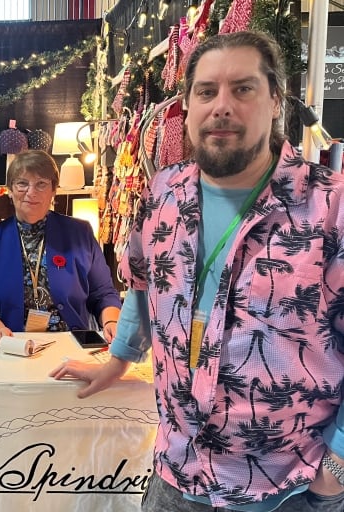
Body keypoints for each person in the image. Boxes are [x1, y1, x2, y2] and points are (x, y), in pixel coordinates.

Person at [49, 31, 344, 511]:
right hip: (176, 476)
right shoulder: (164, 194)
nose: (221, 106)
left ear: (275, 101)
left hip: (288, 489)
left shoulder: (331, 205)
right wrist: (119, 358)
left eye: (243, 89)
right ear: (187, 106)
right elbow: (142, 283)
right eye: (207, 91)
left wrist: (336, 468)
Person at [0, 149, 121, 346]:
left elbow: (103, 293)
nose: (31, 192)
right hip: (11, 345)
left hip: (71, 344)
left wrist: (112, 321)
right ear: (10, 191)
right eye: (22, 183)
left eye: (41, 184)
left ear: (54, 190)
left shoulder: (79, 233)